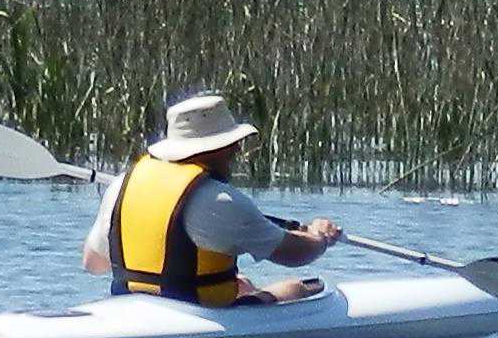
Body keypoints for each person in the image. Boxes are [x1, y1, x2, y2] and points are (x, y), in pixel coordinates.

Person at [81, 91, 341, 307]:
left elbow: (94, 263)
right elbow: (295, 254)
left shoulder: (121, 185)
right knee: (295, 288)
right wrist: (319, 237)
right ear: (218, 148)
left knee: (242, 284)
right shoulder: (221, 200)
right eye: (231, 145)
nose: (236, 151)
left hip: (130, 308)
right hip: (195, 315)